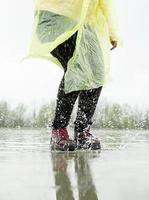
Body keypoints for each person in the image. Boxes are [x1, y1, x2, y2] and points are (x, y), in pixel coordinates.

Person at [26, 0, 121, 151]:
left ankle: (82, 131)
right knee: (77, 67)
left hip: (86, 24)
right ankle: (59, 129)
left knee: (97, 71)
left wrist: (112, 31)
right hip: (56, 17)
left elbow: (105, 3)